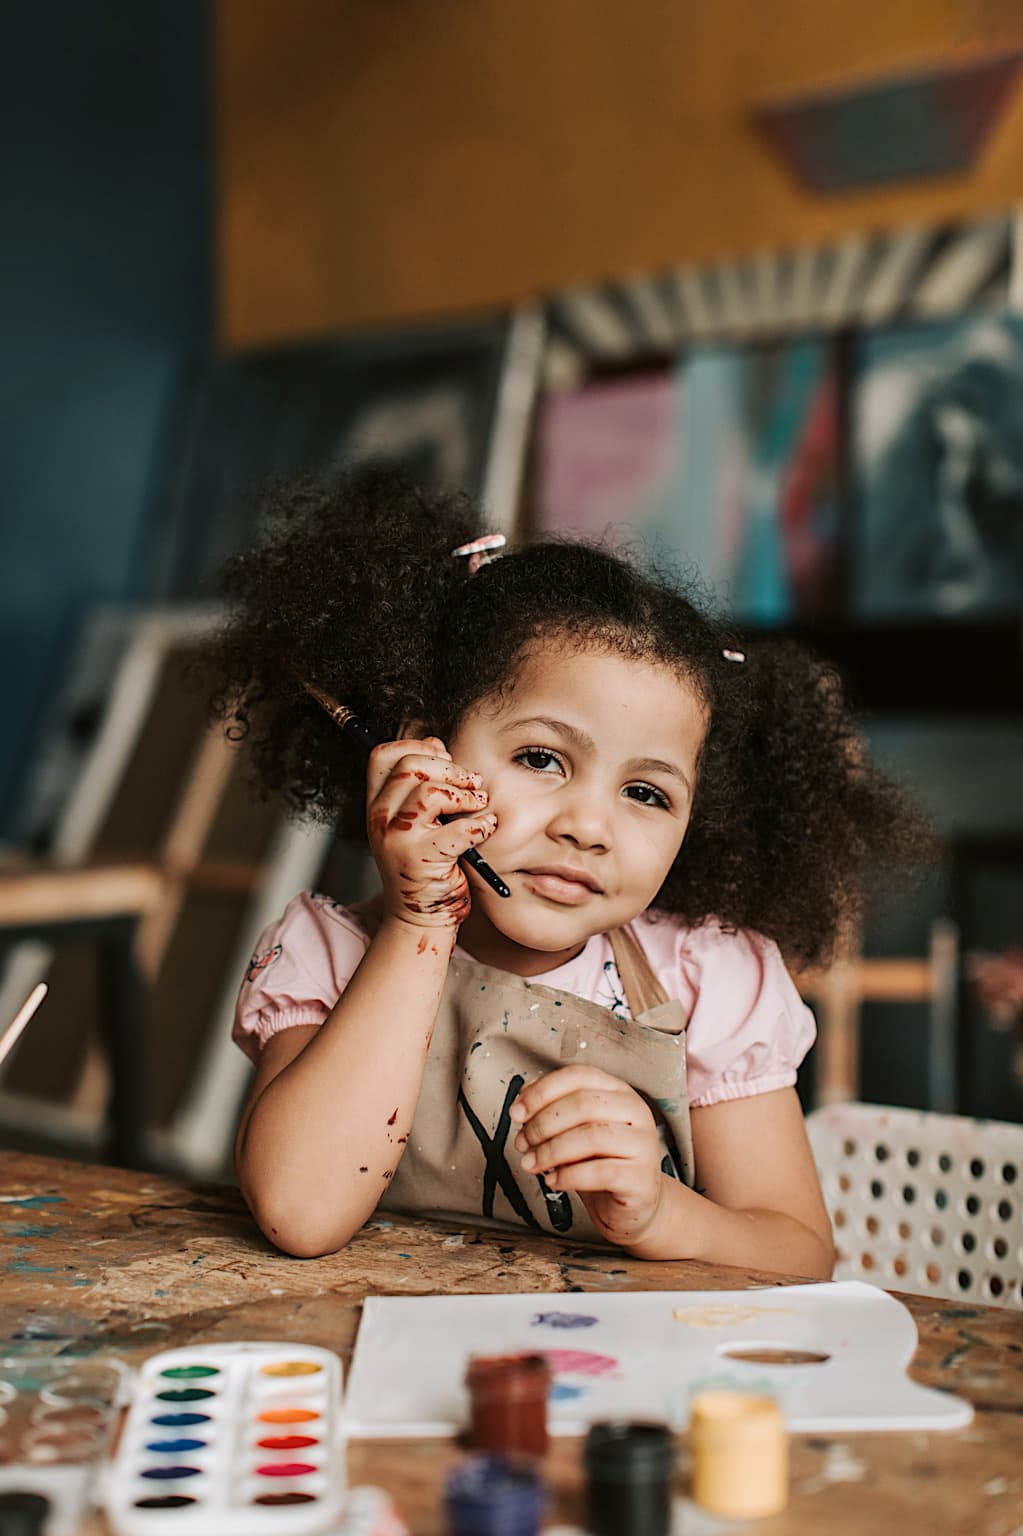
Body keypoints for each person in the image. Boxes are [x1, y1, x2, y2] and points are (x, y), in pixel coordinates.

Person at [207, 466, 928, 1271]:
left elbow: (798, 1254)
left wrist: (662, 1216)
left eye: (647, 793)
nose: (588, 826)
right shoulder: (325, 953)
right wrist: (419, 921)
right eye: (542, 757)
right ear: (423, 750)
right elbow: (300, 1213)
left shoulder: (708, 983)